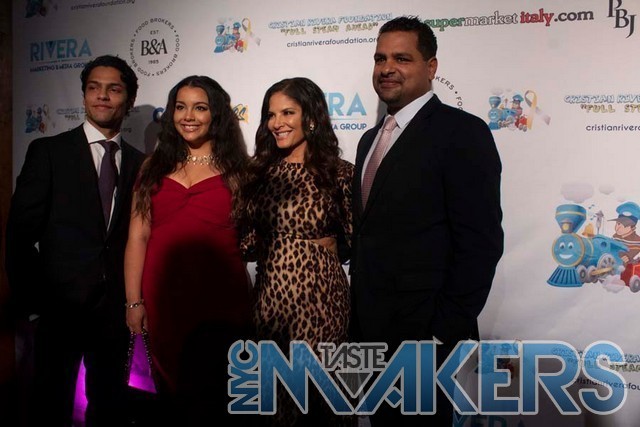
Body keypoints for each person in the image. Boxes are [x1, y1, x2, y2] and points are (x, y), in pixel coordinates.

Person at [350, 16, 504, 426]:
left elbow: (481, 244)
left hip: (426, 341)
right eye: (380, 58)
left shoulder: (462, 133)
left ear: (431, 67)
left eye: (402, 58)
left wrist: (441, 333)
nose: (387, 68)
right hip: (370, 336)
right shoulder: (369, 140)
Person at [5, 55, 145, 426]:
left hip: (114, 315)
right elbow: (19, 236)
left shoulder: (141, 164)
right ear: (84, 95)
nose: (102, 96)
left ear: (129, 99)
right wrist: (33, 305)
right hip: (58, 312)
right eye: (94, 88)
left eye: (113, 89)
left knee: (109, 411)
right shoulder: (49, 152)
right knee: (49, 407)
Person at [124, 75, 252, 424]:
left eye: (200, 107)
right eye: (180, 107)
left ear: (216, 114)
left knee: (219, 396)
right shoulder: (152, 167)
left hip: (221, 297)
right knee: (171, 395)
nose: (188, 116)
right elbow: (137, 236)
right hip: (162, 296)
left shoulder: (240, 170)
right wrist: (133, 301)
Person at [240, 77, 353, 426]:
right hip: (269, 303)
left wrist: (328, 246)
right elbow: (246, 243)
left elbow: (360, 240)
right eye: (271, 114)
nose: (277, 123)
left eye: (288, 112)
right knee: (274, 405)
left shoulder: (339, 174)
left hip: (322, 304)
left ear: (312, 118)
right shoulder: (257, 173)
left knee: (320, 402)